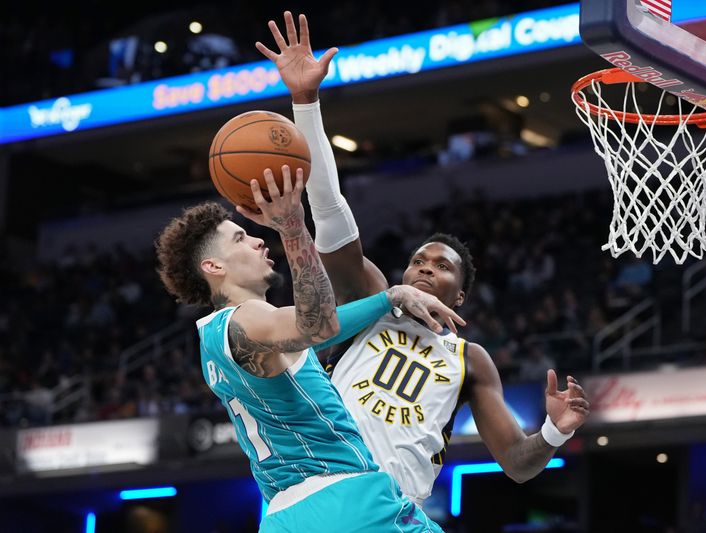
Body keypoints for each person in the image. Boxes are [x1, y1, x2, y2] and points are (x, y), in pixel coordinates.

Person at [256, 12, 591, 505]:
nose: (426, 268)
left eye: (442, 265)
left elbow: (518, 464)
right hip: (329, 488)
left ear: (460, 295)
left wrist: (556, 432)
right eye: (418, 261)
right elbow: (328, 209)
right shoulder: (371, 296)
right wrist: (306, 101)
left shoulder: (470, 360)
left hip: (397, 510)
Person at [155, 167, 462, 531]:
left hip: (285, 517)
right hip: (344, 500)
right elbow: (318, 325)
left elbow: (319, 330)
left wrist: (390, 297)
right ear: (213, 266)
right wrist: (292, 226)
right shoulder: (247, 317)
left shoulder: (223, 336)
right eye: (239, 238)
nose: (257, 241)